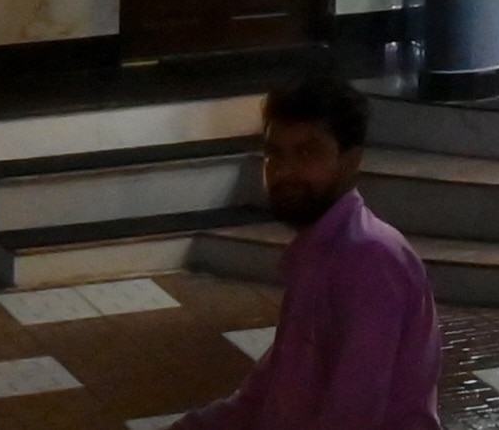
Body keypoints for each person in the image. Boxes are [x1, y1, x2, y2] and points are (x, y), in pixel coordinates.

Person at [181, 74, 439, 430]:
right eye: (275, 153)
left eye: (307, 153)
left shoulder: (371, 260)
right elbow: (267, 391)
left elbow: (353, 413)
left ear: (350, 161)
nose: (284, 171)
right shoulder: (317, 253)